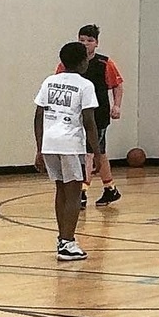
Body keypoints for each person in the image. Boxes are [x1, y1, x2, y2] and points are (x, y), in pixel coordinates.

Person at [35, 42, 101, 261]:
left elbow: (38, 116)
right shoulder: (85, 85)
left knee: (60, 191)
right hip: (71, 144)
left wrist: (39, 148)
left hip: (50, 143)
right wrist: (97, 153)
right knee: (74, 193)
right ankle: (67, 243)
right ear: (83, 61)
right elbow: (90, 122)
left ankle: (62, 238)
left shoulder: (49, 81)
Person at [56, 24, 124, 209]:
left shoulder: (105, 63)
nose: (85, 44)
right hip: (76, 115)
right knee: (99, 153)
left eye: (90, 40)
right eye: (82, 40)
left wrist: (116, 105)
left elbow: (117, 85)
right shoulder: (67, 64)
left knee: (88, 153)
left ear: (97, 43)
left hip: (98, 115)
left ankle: (82, 192)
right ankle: (110, 188)